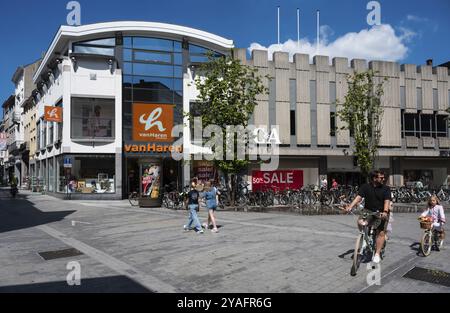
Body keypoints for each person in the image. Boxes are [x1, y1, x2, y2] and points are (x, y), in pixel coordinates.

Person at [346, 170, 391, 264]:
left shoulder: (386, 188)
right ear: (374, 178)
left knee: (380, 232)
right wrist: (350, 206)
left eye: (383, 177)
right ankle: (365, 236)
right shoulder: (365, 187)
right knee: (360, 221)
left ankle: (377, 254)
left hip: (381, 212)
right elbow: (359, 197)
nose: (383, 179)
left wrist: (385, 212)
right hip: (368, 211)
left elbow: (387, 201)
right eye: (381, 177)